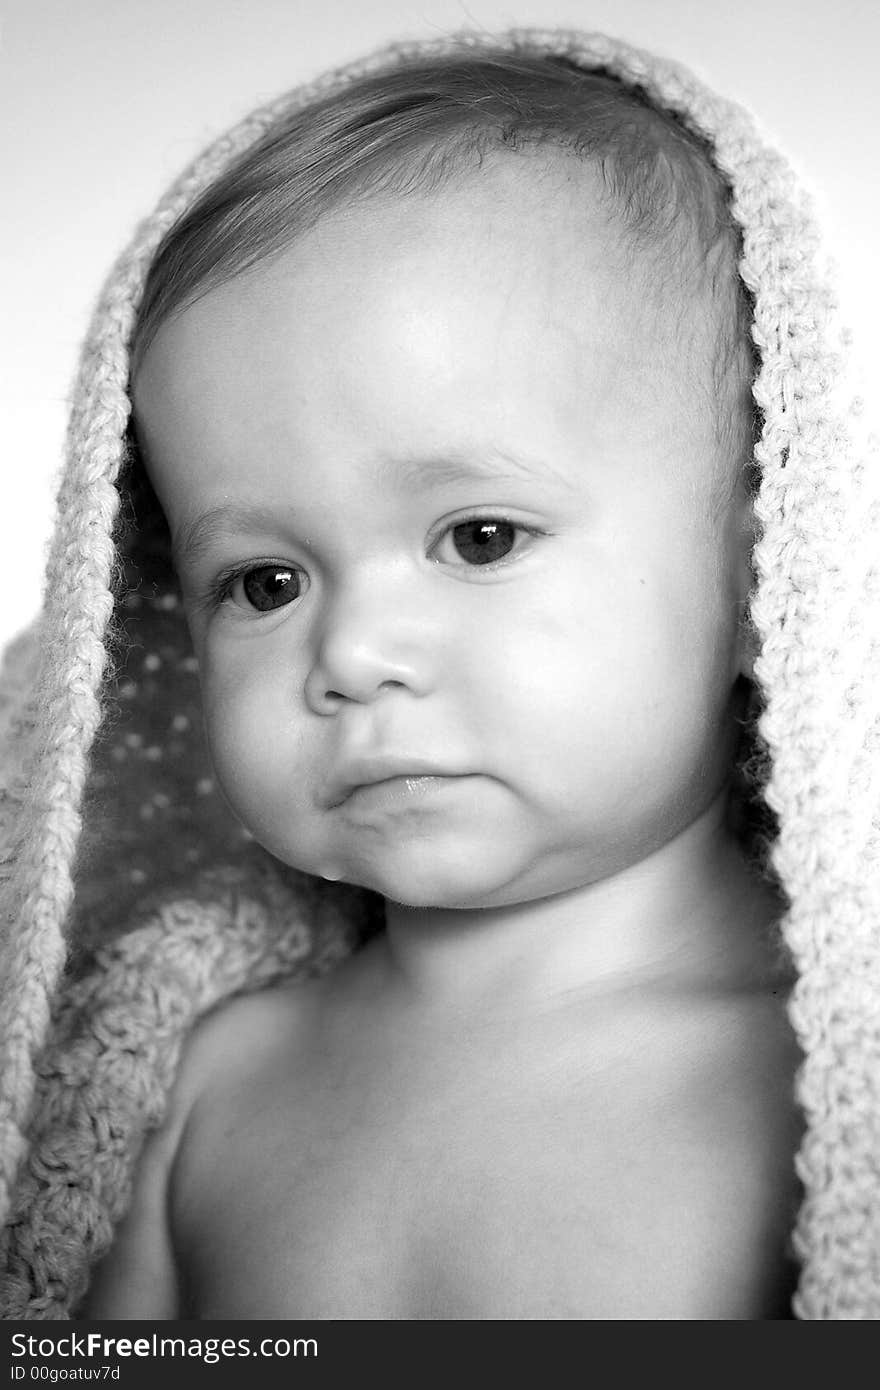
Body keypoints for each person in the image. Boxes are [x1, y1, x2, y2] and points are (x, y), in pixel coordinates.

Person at [0, 29, 877, 1321]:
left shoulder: (821, 1088)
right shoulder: (205, 1084)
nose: (350, 654)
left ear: (766, 571)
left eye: (479, 537)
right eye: (264, 581)